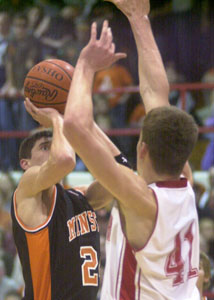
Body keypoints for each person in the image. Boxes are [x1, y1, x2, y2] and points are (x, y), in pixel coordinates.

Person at [63, 1, 200, 299]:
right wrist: (139, 18)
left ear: (143, 149)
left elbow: (74, 126)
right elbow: (155, 94)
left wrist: (85, 66)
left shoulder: (140, 198)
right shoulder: (185, 181)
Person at [11, 95, 128, 299]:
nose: (54, 148)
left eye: (54, 143)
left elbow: (123, 172)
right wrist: (58, 120)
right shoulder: (27, 188)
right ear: (25, 163)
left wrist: (86, 124)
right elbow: (64, 160)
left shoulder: (80, 196)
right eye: (45, 147)